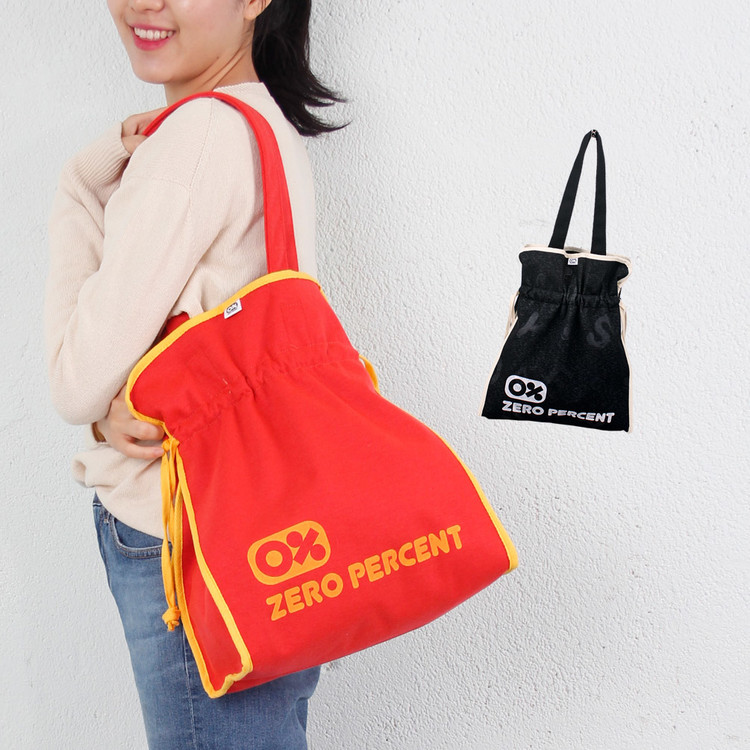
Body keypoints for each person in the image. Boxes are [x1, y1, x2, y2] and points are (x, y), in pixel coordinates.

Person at [44, 1, 342, 747]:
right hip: (269, 521)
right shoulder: (262, 124)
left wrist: (80, 183)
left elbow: (75, 380)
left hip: (189, 538)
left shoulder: (198, 139)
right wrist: (121, 400)